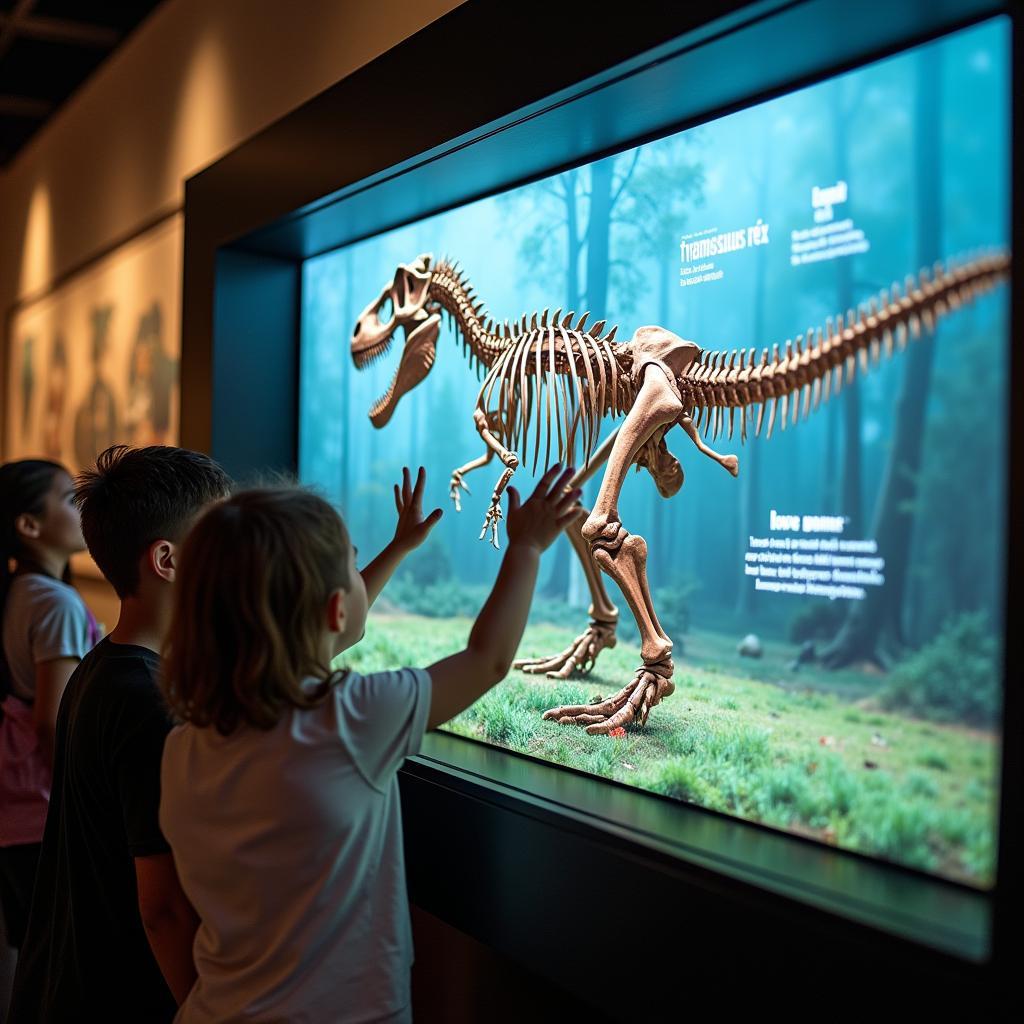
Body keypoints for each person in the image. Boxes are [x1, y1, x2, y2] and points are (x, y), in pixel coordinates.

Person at [159, 464, 580, 1023]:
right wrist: (526, 548)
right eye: (354, 566)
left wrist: (399, 548)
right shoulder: (352, 719)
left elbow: (331, 634)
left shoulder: (184, 744)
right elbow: (487, 661)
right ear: (334, 608)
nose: (361, 573)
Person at [8, 445, 231, 1024]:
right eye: (224, 536)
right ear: (168, 560)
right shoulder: (147, 704)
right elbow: (162, 909)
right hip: (122, 995)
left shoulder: (104, 667)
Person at [0, 460, 97, 975]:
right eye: (67, 498)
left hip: (16, 807)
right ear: (28, 525)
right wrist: (81, 805)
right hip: (42, 809)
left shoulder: (22, 590)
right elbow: (51, 720)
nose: (80, 507)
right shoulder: (54, 602)